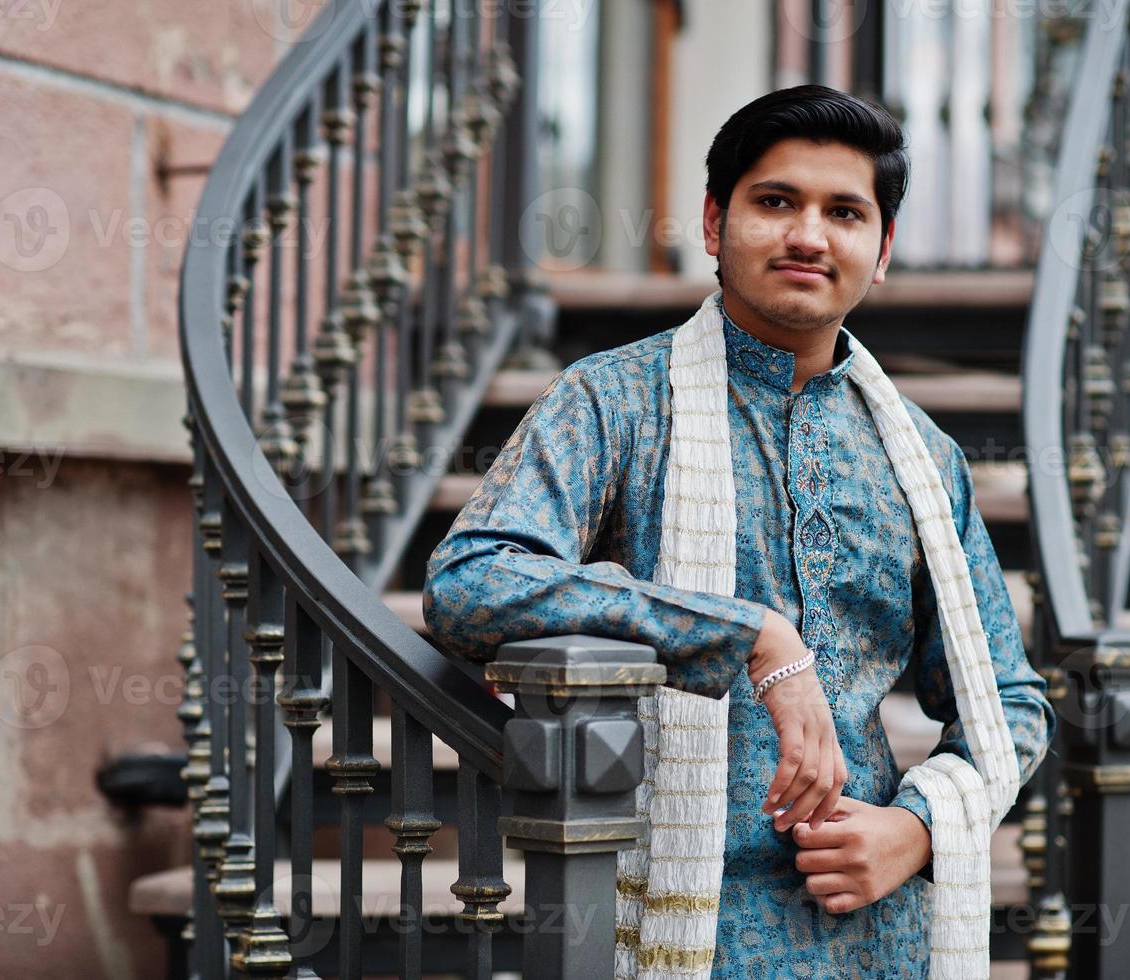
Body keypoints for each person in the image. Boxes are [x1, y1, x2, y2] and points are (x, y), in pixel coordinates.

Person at [423, 84, 1055, 978]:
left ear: (880, 253)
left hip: (872, 927)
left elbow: (1008, 703)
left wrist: (913, 831)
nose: (808, 235)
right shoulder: (614, 403)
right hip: (670, 922)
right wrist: (747, 634)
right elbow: (472, 584)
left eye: (844, 212)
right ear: (715, 225)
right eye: (775, 202)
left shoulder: (922, 455)